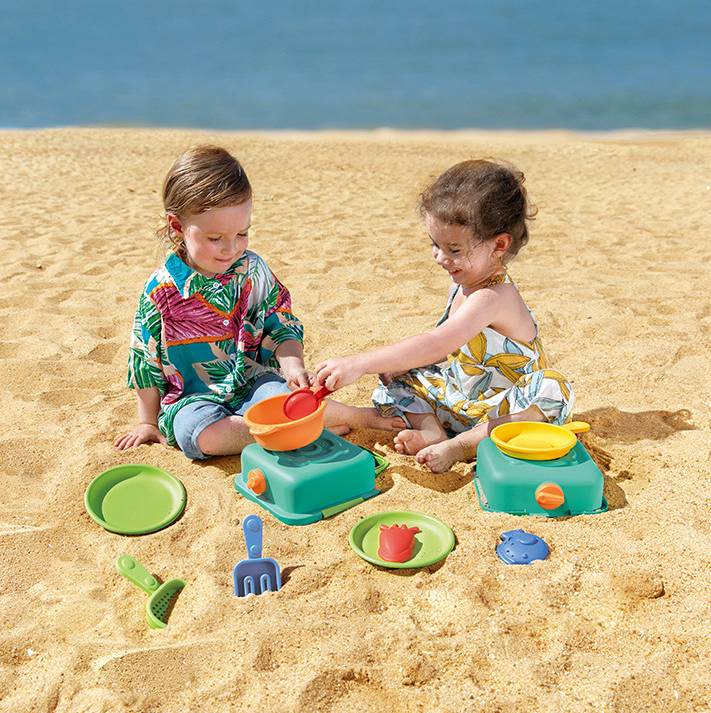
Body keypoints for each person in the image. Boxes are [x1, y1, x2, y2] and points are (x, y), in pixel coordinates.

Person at [115, 145, 400, 459]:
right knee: (196, 436)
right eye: (215, 238)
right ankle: (295, 432)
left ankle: (359, 417)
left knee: (289, 399)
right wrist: (146, 422)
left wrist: (292, 367)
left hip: (253, 381)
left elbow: (282, 323)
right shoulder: (160, 292)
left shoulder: (252, 270)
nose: (231, 248)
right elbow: (144, 362)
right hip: (192, 399)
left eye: (242, 233)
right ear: (178, 227)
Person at [316, 158, 574, 473]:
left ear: (499, 245)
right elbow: (452, 356)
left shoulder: (494, 297)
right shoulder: (466, 284)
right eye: (435, 244)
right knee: (398, 377)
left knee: (553, 388)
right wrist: (402, 366)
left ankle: (462, 445)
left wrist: (360, 362)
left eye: (453, 249)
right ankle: (432, 432)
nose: (440, 257)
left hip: (504, 409)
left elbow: (438, 342)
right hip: (462, 400)